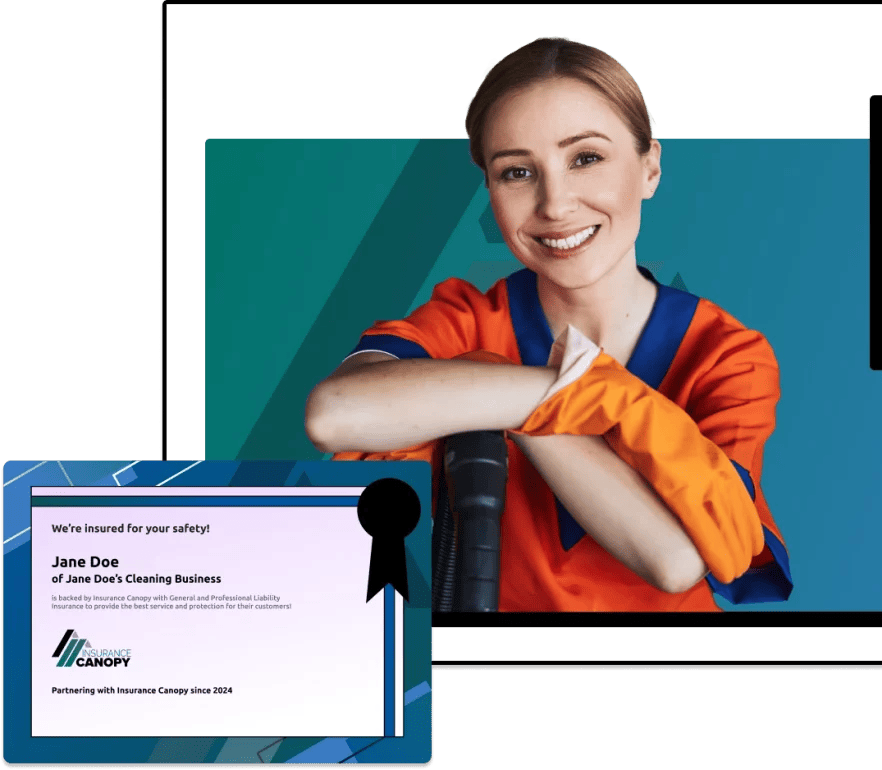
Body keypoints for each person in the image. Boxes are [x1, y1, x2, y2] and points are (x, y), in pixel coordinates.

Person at [305, 36, 792, 611]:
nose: (555, 204)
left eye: (586, 158)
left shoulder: (725, 357)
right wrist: (546, 389)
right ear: (490, 190)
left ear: (650, 168)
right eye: (516, 172)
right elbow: (335, 414)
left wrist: (503, 393)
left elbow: (679, 560)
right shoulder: (466, 325)